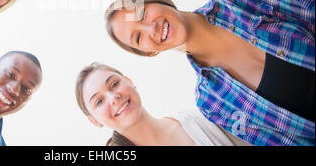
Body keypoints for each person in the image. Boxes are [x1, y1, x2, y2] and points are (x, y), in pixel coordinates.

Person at [104, 0, 315, 146]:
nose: (151, 28)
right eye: (139, 38)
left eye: (142, 13)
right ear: (148, 52)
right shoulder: (212, 102)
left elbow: (310, 0)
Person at [76, 62, 250, 146]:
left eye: (114, 84)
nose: (113, 97)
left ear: (129, 81)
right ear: (94, 121)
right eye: (99, 101)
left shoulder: (200, 119)